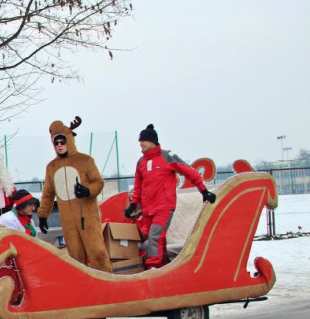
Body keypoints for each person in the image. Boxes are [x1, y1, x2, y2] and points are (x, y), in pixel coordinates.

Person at [126, 124, 216, 269]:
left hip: (164, 206)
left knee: (155, 236)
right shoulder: (141, 163)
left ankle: (152, 268)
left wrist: (203, 190)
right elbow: (138, 185)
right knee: (152, 238)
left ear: (151, 141)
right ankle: (164, 264)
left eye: (142, 140)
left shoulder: (167, 157)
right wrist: (133, 204)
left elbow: (189, 171)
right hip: (148, 208)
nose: (140, 144)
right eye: (139, 141)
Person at [37, 116, 111, 272]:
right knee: (76, 258)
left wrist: (87, 191)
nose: (59, 145)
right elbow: (48, 194)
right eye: (56, 142)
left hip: (88, 218)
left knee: (97, 253)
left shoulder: (85, 161)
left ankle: (106, 282)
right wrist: (43, 215)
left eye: (62, 141)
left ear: (68, 140)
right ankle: (83, 288)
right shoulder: (51, 167)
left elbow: (98, 182)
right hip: (68, 221)